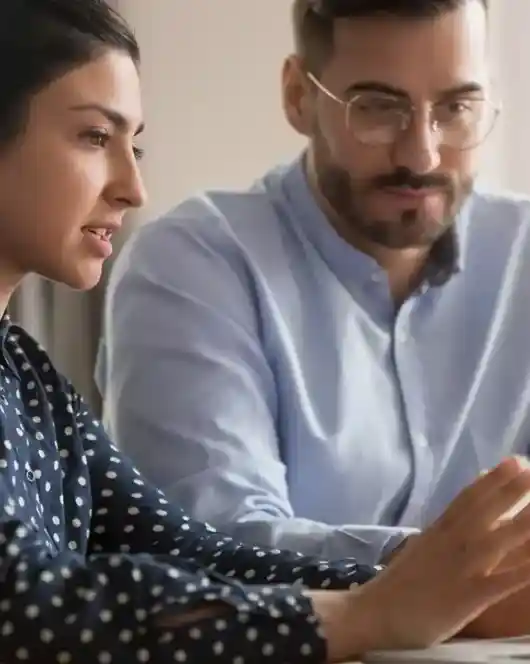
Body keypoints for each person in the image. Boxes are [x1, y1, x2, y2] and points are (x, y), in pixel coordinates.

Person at [3, 0, 530, 661]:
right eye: (93, 137)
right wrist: (378, 609)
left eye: (132, 143)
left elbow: (190, 551)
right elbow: (23, 606)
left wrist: (426, 588)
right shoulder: (192, 261)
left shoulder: (24, 374)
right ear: (298, 97)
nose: (135, 188)